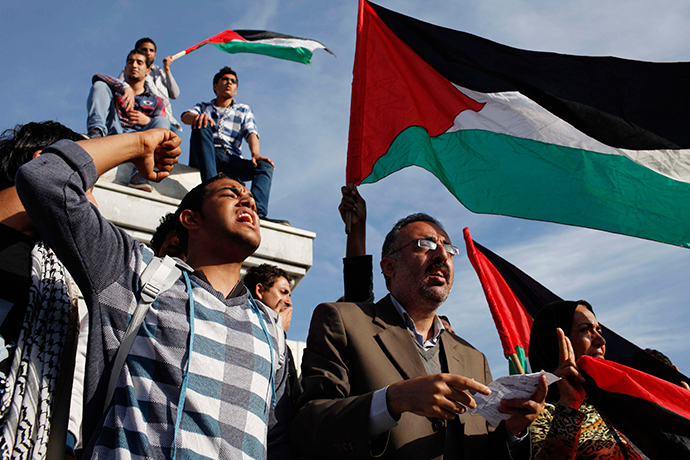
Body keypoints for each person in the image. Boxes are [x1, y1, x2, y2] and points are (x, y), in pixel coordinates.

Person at [15, 130, 291, 459]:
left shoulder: (271, 331)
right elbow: (46, 178)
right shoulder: (135, 273)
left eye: (251, 199)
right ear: (190, 218)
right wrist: (139, 144)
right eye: (231, 194)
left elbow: (278, 444)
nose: (249, 201)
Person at [291, 211, 547, 459]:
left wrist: (514, 431)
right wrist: (392, 400)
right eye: (424, 245)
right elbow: (308, 427)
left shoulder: (474, 358)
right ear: (389, 267)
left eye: (448, 248)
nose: (441, 255)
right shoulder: (343, 322)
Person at [0, 121, 85, 459]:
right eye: (86, 187)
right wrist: (140, 142)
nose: (90, 206)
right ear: (45, 167)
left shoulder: (60, 273)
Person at [528, 300, 644, 459]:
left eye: (599, 331)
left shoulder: (623, 401)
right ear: (555, 342)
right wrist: (569, 405)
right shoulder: (534, 413)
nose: (601, 341)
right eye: (585, 330)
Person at [181, 67, 283, 223]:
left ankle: (257, 213)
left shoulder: (243, 109)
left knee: (265, 166)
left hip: (231, 159)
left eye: (233, 81)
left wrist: (255, 154)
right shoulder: (204, 107)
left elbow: (251, 133)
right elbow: (185, 116)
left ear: (236, 89)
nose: (229, 83)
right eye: (225, 79)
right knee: (201, 124)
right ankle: (212, 192)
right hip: (205, 153)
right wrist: (198, 117)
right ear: (215, 86)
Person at [87, 48, 170, 191]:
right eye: (131, 62)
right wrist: (124, 87)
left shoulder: (156, 100)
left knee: (163, 122)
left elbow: (161, 126)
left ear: (148, 70)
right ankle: (96, 136)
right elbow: (98, 76)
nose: (135, 65)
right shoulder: (115, 90)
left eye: (140, 63)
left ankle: (141, 174)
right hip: (115, 133)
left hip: (140, 142)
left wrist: (148, 122)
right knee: (100, 86)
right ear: (125, 67)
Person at [119, 38, 182, 134]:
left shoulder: (160, 72)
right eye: (144, 49)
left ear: (155, 55)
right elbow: (118, 87)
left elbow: (175, 94)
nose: (148, 52)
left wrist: (167, 69)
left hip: (166, 119)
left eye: (151, 50)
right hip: (141, 120)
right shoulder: (131, 70)